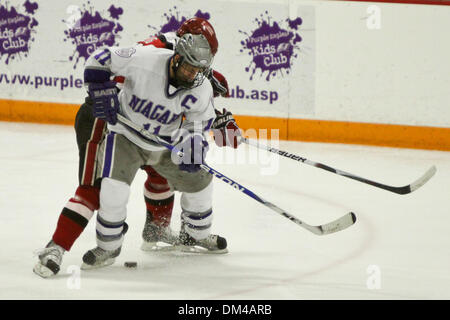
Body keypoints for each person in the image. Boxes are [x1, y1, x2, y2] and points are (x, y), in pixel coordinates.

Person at [33, 18, 241, 277]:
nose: (194, 73)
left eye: (201, 69)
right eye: (190, 66)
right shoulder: (149, 55)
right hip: (109, 120)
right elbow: (103, 62)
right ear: (177, 51)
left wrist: (198, 140)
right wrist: (100, 88)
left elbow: (193, 109)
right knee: (99, 189)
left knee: (166, 173)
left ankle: (159, 231)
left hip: (154, 133)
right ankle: (61, 247)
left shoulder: (197, 74)